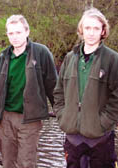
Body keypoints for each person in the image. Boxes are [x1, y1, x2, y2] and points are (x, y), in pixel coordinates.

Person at [0, 15, 57, 168]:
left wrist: (62, 113)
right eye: (11, 33)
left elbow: (53, 85)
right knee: (7, 162)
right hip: (5, 118)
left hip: (29, 119)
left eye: (18, 32)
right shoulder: (3, 57)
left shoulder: (41, 53)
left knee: (26, 162)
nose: (15, 37)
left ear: (27, 31)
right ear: (7, 35)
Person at [53, 7, 118, 168]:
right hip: (72, 138)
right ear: (81, 30)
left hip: (100, 138)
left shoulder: (112, 59)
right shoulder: (69, 58)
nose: (91, 32)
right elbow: (59, 92)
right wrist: (63, 116)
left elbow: (116, 98)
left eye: (96, 28)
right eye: (87, 28)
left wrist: (102, 122)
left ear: (103, 31)